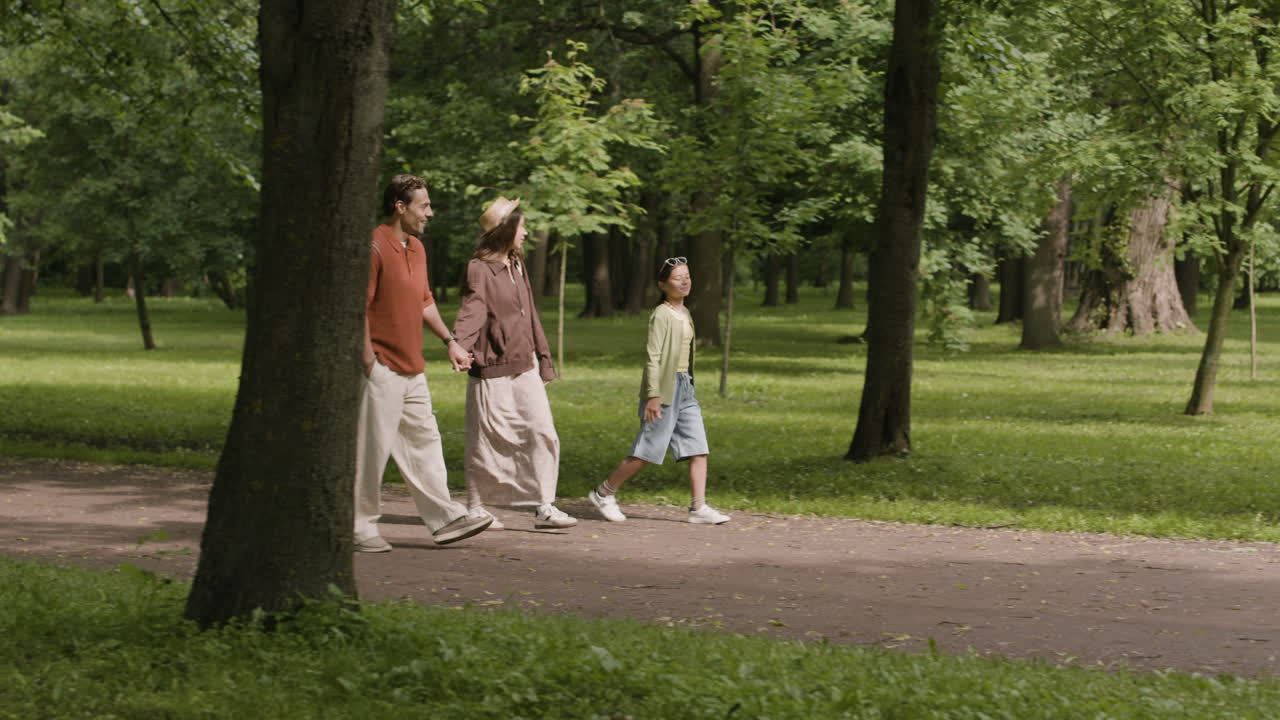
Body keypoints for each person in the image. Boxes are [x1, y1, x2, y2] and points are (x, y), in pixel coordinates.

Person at [353, 174, 493, 552]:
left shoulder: (416, 248)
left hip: (412, 366)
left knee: (425, 443)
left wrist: (449, 341)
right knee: (373, 450)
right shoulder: (373, 245)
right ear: (400, 207)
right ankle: (359, 527)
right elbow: (358, 308)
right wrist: (368, 360)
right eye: (424, 206)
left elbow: (425, 301)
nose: (430, 213)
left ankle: (445, 519)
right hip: (381, 366)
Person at [452, 197, 577, 530]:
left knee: (542, 431)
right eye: (521, 227)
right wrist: (459, 346)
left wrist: (545, 359)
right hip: (491, 367)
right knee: (484, 439)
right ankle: (476, 507)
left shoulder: (517, 264)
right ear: (507, 229)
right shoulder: (480, 268)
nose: (526, 233)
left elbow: (530, 315)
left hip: (526, 365)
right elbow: (472, 311)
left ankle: (545, 507)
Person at [588, 257, 730, 525]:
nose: (685, 281)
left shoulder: (685, 312)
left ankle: (698, 508)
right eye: (678, 278)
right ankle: (603, 493)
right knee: (647, 452)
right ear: (663, 285)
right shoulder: (661, 314)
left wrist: (688, 385)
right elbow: (653, 356)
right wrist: (654, 395)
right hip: (664, 390)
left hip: (685, 388)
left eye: (687, 276)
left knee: (698, 448)